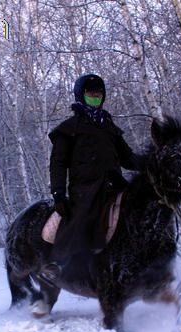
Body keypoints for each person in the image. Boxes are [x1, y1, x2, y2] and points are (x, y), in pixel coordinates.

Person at [43, 73, 146, 280]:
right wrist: (58, 193)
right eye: (90, 93)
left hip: (114, 184)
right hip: (85, 189)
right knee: (82, 217)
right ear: (81, 95)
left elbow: (128, 158)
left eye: (98, 93)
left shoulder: (108, 126)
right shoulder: (69, 129)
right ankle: (59, 263)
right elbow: (58, 164)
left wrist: (152, 163)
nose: (95, 96)